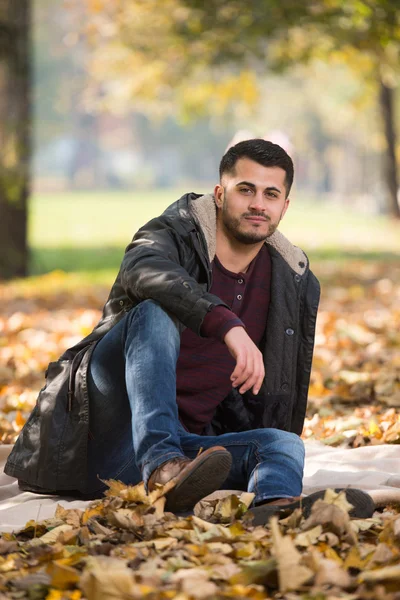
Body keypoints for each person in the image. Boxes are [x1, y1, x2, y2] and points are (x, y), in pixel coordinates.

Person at [5, 139, 374, 522]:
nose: (257, 204)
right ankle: (163, 467)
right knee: (153, 313)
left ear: (285, 205)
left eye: (270, 194)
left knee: (281, 444)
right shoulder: (174, 233)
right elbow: (143, 268)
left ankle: (275, 509)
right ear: (219, 194)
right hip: (98, 441)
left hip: (190, 456)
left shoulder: (291, 279)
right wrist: (227, 324)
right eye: (244, 190)